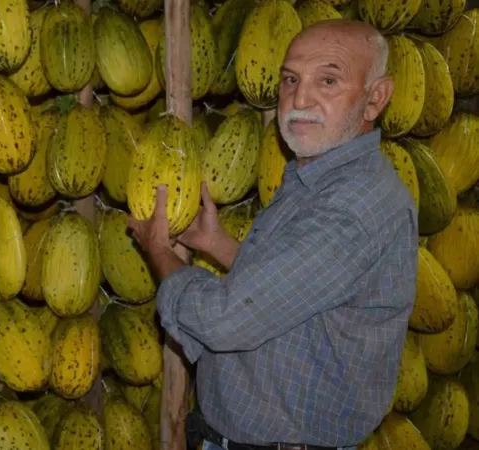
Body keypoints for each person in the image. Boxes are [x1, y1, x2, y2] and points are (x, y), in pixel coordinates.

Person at [127, 19, 418, 450]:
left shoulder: (352, 207)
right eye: (290, 79)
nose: (300, 99)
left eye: (328, 80)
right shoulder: (319, 177)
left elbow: (225, 321)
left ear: (375, 98)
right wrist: (218, 245)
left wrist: (158, 252)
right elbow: (297, 296)